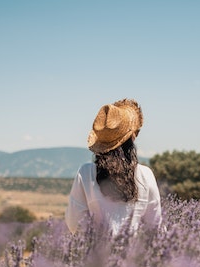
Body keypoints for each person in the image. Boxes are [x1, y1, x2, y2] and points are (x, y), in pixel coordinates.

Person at [66, 99, 162, 235]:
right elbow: (154, 227)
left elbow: (74, 222)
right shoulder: (145, 175)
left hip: (96, 254)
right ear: (131, 139)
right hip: (134, 254)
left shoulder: (86, 173)